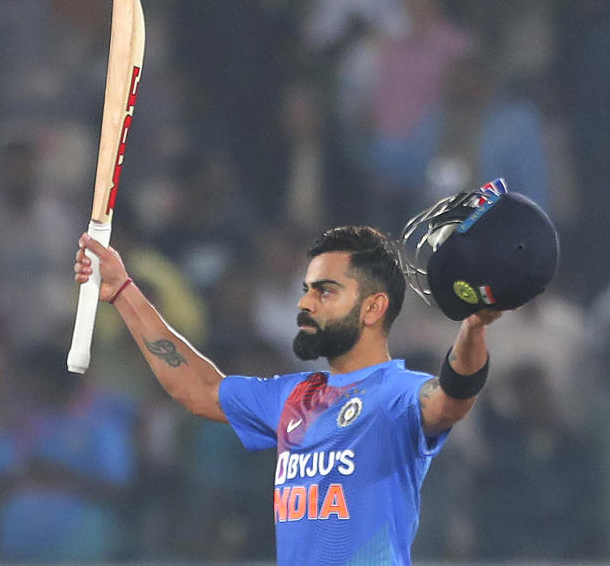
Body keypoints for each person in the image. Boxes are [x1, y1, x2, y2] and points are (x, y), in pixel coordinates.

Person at [74, 224, 497, 565]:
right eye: (307, 288)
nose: (305, 304)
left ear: (372, 308)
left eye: (325, 291)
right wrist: (122, 291)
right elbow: (195, 386)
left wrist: (473, 327)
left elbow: (451, 399)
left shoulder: (398, 394)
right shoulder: (291, 396)